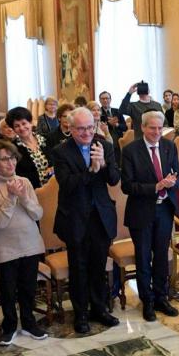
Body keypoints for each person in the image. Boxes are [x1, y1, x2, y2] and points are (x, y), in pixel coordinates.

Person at [52, 108, 121, 334]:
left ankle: (99, 309)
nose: (86, 132)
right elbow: (67, 184)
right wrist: (92, 171)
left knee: (98, 266)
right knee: (79, 268)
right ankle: (81, 314)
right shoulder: (61, 152)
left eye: (90, 127)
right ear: (70, 129)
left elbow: (113, 180)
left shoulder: (105, 146)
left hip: (100, 217)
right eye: (81, 128)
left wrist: (104, 165)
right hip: (75, 218)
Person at [0, 140, 48, 345]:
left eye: (12, 158)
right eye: (4, 159)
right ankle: (9, 325)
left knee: (28, 287)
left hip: (30, 243)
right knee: (8, 291)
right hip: (4, 248)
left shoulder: (25, 182)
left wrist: (24, 198)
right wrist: (11, 198)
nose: (10, 163)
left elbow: (38, 214)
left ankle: (29, 322)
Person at [121, 111, 179, 321]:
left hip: (165, 209)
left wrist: (174, 183)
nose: (156, 132)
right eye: (152, 128)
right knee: (143, 257)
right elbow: (127, 186)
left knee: (161, 257)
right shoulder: (131, 151)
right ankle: (146, 301)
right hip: (141, 212)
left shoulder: (169, 146)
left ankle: (161, 297)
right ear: (143, 128)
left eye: (159, 128)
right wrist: (155, 186)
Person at [6, 107, 53, 188]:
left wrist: (53, 168)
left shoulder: (46, 140)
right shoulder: (12, 148)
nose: (21, 128)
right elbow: (16, 175)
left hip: (53, 188)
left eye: (24, 123)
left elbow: (57, 161)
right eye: (17, 126)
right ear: (13, 129)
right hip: (30, 192)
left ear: (31, 123)